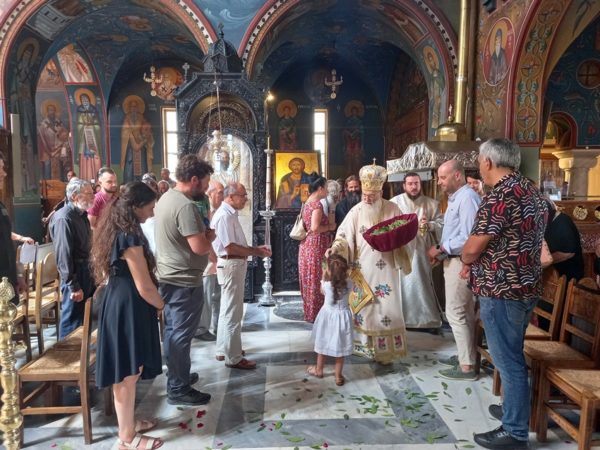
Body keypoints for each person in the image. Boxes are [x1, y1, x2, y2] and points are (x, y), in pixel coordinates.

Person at [460, 138, 548, 450]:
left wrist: (466, 259)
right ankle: (514, 410)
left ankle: (514, 432)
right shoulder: (531, 191)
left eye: (479, 161)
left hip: (502, 291)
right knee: (513, 354)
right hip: (526, 287)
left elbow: (473, 248)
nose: (479, 167)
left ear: (488, 162)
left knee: (508, 361)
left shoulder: (500, 196)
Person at [92, 182, 164, 450]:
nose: (152, 213)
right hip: (128, 305)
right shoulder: (129, 236)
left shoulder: (119, 229)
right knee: (127, 373)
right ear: (135, 207)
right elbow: (143, 285)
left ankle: (129, 425)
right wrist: (162, 305)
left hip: (123, 302)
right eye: (150, 207)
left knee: (131, 369)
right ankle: (127, 437)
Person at [328, 162, 413, 364]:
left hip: (387, 270)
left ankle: (386, 351)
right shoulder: (356, 211)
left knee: (387, 307)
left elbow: (404, 236)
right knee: (365, 308)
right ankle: (364, 347)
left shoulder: (393, 208)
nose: (366, 198)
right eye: (365, 194)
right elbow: (343, 236)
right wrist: (336, 248)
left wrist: (400, 242)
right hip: (363, 270)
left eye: (371, 195)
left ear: (380, 192)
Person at [154, 154, 215, 405]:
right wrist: (209, 237)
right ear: (194, 179)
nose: (207, 188)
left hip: (169, 276)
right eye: (206, 182)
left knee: (173, 332)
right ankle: (178, 388)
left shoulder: (166, 198)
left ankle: (178, 376)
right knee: (180, 335)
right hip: (183, 281)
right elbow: (199, 247)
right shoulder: (185, 206)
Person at [428, 160, 481, 380]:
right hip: (454, 260)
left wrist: (442, 248)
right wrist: (442, 251)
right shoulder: (457, 197)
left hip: (461, 262)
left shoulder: (467, 198)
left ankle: (466, 366)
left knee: (455, 312)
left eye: (443, 177)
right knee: (464, 312)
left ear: (457, 175)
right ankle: (465, 356)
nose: (439, 182)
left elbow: (469, 237)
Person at [211, 182, 271, 369]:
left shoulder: (229, 214)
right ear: (230, 197)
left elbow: (234, 244)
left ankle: (223, 349)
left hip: (233, 263)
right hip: (231, 263)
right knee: (233, 312)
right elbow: (230, 247)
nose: (246, 199)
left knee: (227, 308)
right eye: (242, 195)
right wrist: (256, 251)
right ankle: (234, 357)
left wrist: (254, 250)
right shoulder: (224, 216)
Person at [391, 172, 443, 330]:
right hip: (402, 250)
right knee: (402, 284)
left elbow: (442, 224)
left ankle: (426, 320)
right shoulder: (394, 203)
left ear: (421, 184)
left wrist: (430, 225)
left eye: (416, 183)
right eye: (410, 184)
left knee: (422, 282)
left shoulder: (432, 204)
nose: (414, 187)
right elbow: (388, 225)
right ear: (404, 186)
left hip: (422, 251)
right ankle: (402, 318)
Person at [49, 178, 96, 338]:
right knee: (72, 321)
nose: (93, 196)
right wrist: (73, 285)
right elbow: (64, 255)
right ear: (75, 196)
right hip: (75, 273)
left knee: (84, 318)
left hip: (86, 270)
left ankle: (82, 352)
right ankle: (66, 352)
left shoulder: (81, 215)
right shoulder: (64, 218)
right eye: (89, 193)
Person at [306, 252, 353, 386]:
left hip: (327, 317)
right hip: (343, 318)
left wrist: (323, 275)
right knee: (341, 348)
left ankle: (319, 370)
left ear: (329, 271)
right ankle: (338, 376)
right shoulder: (350, 283)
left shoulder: (326, 285)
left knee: (322, 343)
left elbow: (322, 290)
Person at [299, 174, 335, 322]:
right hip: (316, 245)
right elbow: (314, 228)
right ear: (320, 188)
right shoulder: (317, 205)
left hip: (307, 245)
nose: (327, 191)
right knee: (317, 278)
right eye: (326, 188)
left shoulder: (307, 202)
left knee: (310, 278)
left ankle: (310, 313)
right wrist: (330, 227)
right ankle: (317, 315)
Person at [0, 151, 33, 304]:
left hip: (7, 278)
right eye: (0, 168)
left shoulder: (1, 205)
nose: (4, 173)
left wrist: (17, 275)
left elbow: (4, 233)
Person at [196, 180, 224, 342]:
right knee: (206, 296)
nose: (222, 196)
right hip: (208, 261)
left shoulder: (221, 211)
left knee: (218, 295)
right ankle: (201, 329)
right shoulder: (202, 211)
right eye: (220, 193)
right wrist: (211, 255)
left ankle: (217, 325)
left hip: (220, 259)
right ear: (210, 194)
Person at [544, 200, 584, 281]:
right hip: (554, 274)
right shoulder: (550, 220)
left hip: (569, 277)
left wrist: (543, 262)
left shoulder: (563, 222)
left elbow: (568, 253)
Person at [121, 96, 154, 183]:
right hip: (130, 145)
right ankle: (130, 183)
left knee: (142, 164)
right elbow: (125, 130)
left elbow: (145, 127)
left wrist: (145, 134)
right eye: (132, 107)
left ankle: (142, 183)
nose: (134, 109)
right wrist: (131, 136)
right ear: (129, 108)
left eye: (135, 106)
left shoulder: (141, 117)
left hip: (141, 144)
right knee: (131, 164)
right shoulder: (127, 118)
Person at [38, 101, 71, 180]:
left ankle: (60, 181)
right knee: (47, 165)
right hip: (47, 150)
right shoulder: (43, 124)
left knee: (60, 164)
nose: (51, 112)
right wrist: (48, 149)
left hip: (58, 149)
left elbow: (64, 134)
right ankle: (48, 183)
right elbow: (41, 137)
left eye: (53, 110)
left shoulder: (59, 122)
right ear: (47, 112)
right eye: (50, 110)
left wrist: (62, 139)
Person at [75, 92, 102, 181]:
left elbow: (98, 125)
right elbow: (78, 125)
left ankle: (96, 179)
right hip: (83, 141)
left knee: (94, 158)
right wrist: (83, 127)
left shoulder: (93, 109)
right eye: (83, 100)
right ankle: (84, 179)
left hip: (92, 138)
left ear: (89, 100)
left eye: (86, 99)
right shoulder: (79, 110)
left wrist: (92, 126)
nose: (84, 101)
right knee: (84, 159)